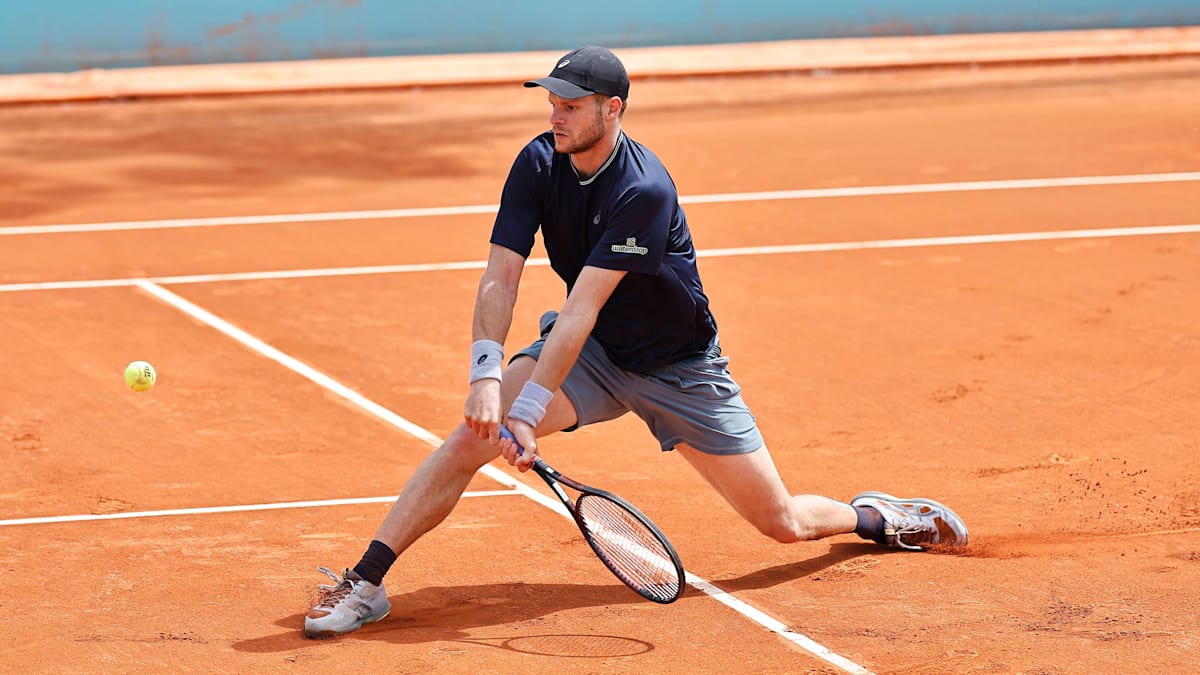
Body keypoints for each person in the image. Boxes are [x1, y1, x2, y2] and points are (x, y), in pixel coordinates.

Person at [303, 45, 969, 639]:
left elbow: (582, 308)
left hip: (678, 367)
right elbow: (501, 274)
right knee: (471, 437)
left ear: (612, 109)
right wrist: (485, 375)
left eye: (571, 104)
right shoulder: (538, 161)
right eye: (552, 102)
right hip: (595, 361)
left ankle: (876, 517)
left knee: (783, 521)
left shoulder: (643, 189)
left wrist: (528, 414)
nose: (556, 115)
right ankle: (365, 582)